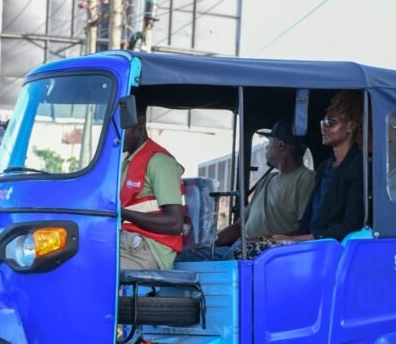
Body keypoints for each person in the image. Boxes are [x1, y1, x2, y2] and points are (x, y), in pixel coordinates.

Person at [183, 118, 315, 261]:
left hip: (267, 255)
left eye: (269, 143)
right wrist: (208, 243)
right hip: (239, 248)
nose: (266, 148)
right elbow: (239, 226)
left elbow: (304, 231)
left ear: (281, 145)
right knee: (183, 255)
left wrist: (263, 240)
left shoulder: (306, 179)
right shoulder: (268, 179)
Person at [274, 90, 365, 242]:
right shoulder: (325, 166)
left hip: (333, 248)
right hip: (314, 243)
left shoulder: (359, 167)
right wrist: (287, 239)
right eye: (323, 122)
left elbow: (351, 225)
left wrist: (298, 240)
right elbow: (311, 218)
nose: (324, 127)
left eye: (331, 122)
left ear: (351, 125)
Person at [120, 104, 184, 270]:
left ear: (140, 122)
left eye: (122, 127)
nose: (117, 135)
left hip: (148, 249)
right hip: (127, 242)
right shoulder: (127, 162)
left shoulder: (160, 162)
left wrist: (121, 213)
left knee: (95, 272)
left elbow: (175, 223)